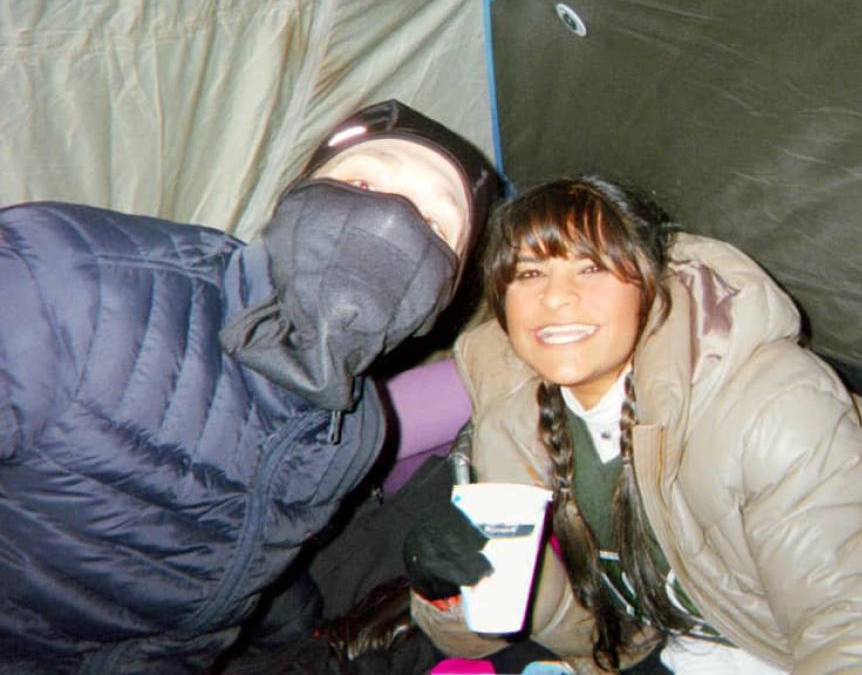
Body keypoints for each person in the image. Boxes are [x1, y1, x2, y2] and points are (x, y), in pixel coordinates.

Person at [395, 176, 862, 674]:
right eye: (530, 273)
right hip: (718, 631)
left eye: (594, 268)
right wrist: (451, 589)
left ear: (651, 288)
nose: (557, 298)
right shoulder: (520, 416)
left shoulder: (766, 403)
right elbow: (591, 631)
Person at [0, 99, 498, 672]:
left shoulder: (358, 428)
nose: (390, 221)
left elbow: (257, 561)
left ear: (441, 299)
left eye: (435, 224)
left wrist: (297, 638)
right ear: (293, 201)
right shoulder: (70, 286)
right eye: (362, 181)